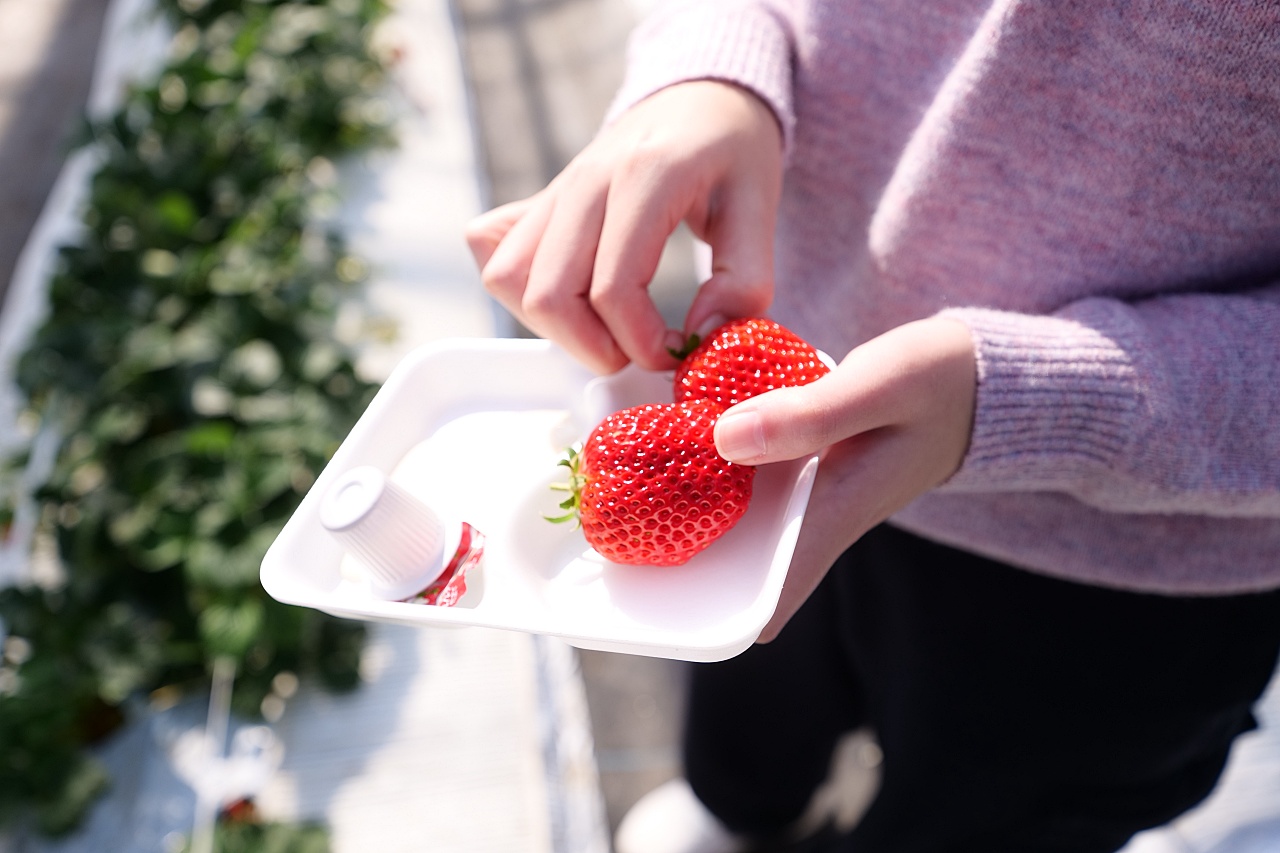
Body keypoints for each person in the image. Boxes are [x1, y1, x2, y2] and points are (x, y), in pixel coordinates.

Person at [465, 1, 1280, 851]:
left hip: (1130, 563)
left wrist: (1029, 397)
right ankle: (746, 813)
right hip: (784, 457)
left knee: (993, 810)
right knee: (755, 702)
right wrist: (715, 64)